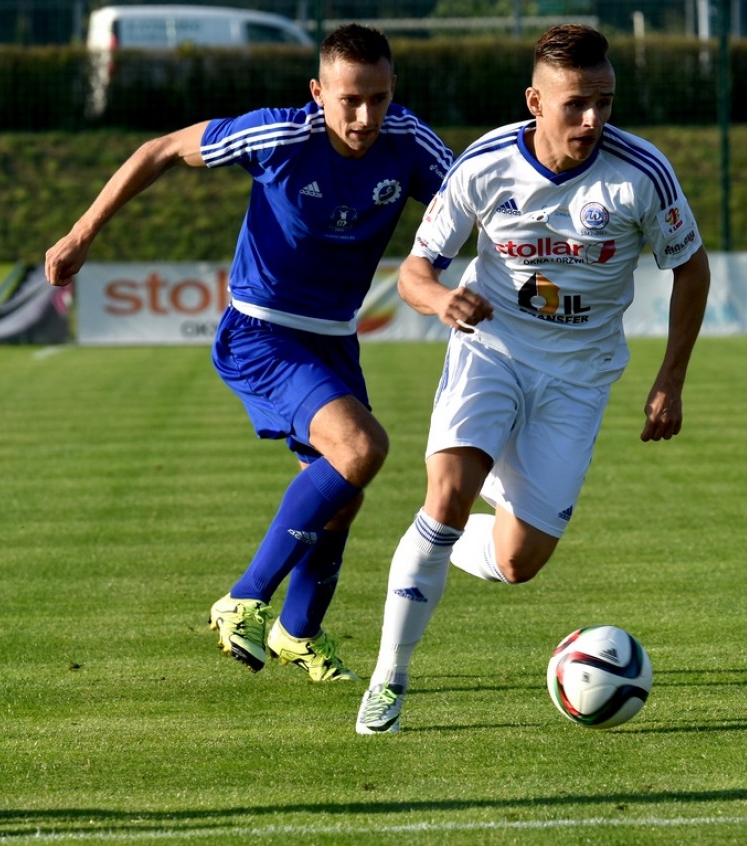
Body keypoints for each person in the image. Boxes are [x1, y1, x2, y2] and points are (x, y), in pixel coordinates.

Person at [45, 24, 453, 681]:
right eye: (349, 100)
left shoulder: (408, 140)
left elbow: (477, 201)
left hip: (334, 337)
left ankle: (298, 633)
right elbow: (161, 149)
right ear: (318, 93)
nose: (364, 116)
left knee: (343, 493)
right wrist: (82, 232)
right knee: (361, 449)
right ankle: (244, 599)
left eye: (377, 98)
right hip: (261, 332)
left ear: (393, 90)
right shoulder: (277, 135)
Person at [355, 23, 711, 734]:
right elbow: (416, 271)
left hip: (579, 377)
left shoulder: (641, 174)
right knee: (446, 497)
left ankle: (434, 543)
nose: (593, 119)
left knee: (519, 563)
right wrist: (441, 300)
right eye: (576, 103)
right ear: (535, 101)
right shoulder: (485, 164)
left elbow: (691, 268)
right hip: (492, 350)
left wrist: (670, 379)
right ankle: (388, 681)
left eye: (604, 102)